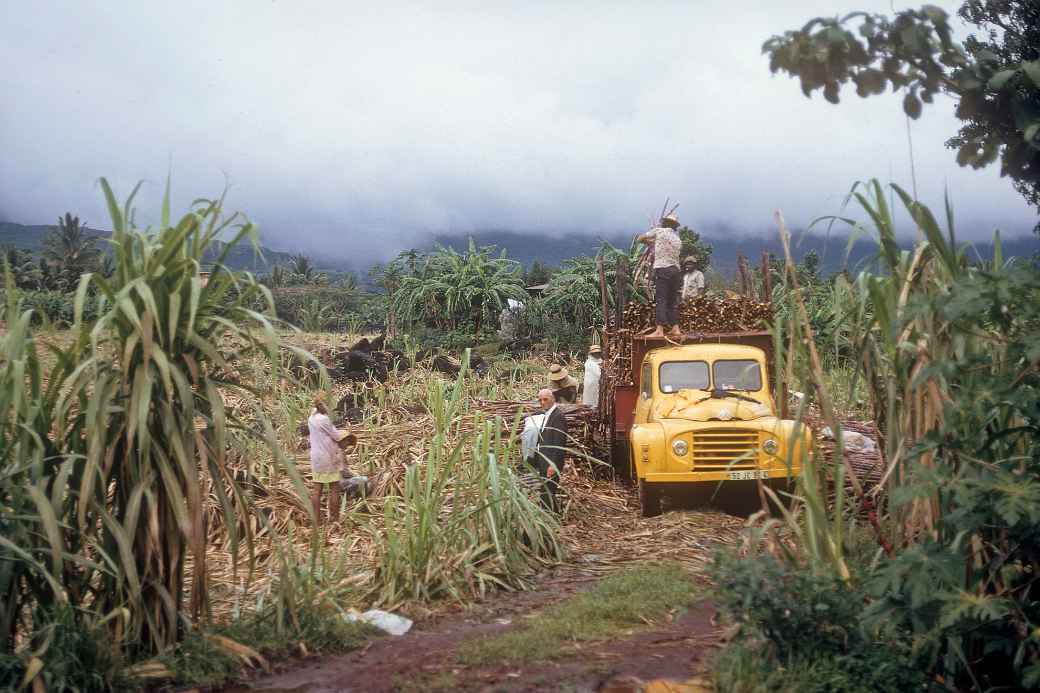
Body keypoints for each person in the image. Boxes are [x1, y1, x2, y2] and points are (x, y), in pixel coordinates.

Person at [637, 213, 683, 339]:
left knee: (661, 299)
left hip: (663, 269)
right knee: (672, 301)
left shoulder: (659, 232)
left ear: (664, 223)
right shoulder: (677, 239)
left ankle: (659, 329)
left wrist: (650, 240)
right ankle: (675, 328)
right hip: (676, 271)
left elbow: (639, 239)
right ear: (674, 226)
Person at [307, 394, 349, 525]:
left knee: (317, 489)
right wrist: (346, 434)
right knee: (334, 488)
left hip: (316, 458)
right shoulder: (324, 420)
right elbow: (336, 436)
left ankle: (316, 520)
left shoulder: (312, 418)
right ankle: (334, 519)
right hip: (328, 457)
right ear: (322, 406)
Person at [526, 388, 569, 513]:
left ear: (553, 399)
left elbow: (559, 443)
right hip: (544, 461)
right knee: (547, 492)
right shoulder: (546, 415)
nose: (542, 402)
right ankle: (555, 515)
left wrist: (553, 464)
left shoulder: (558, 417)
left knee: (548, 492)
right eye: (540, 400)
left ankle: (551, 519)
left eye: (545, 399)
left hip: (551, 463)